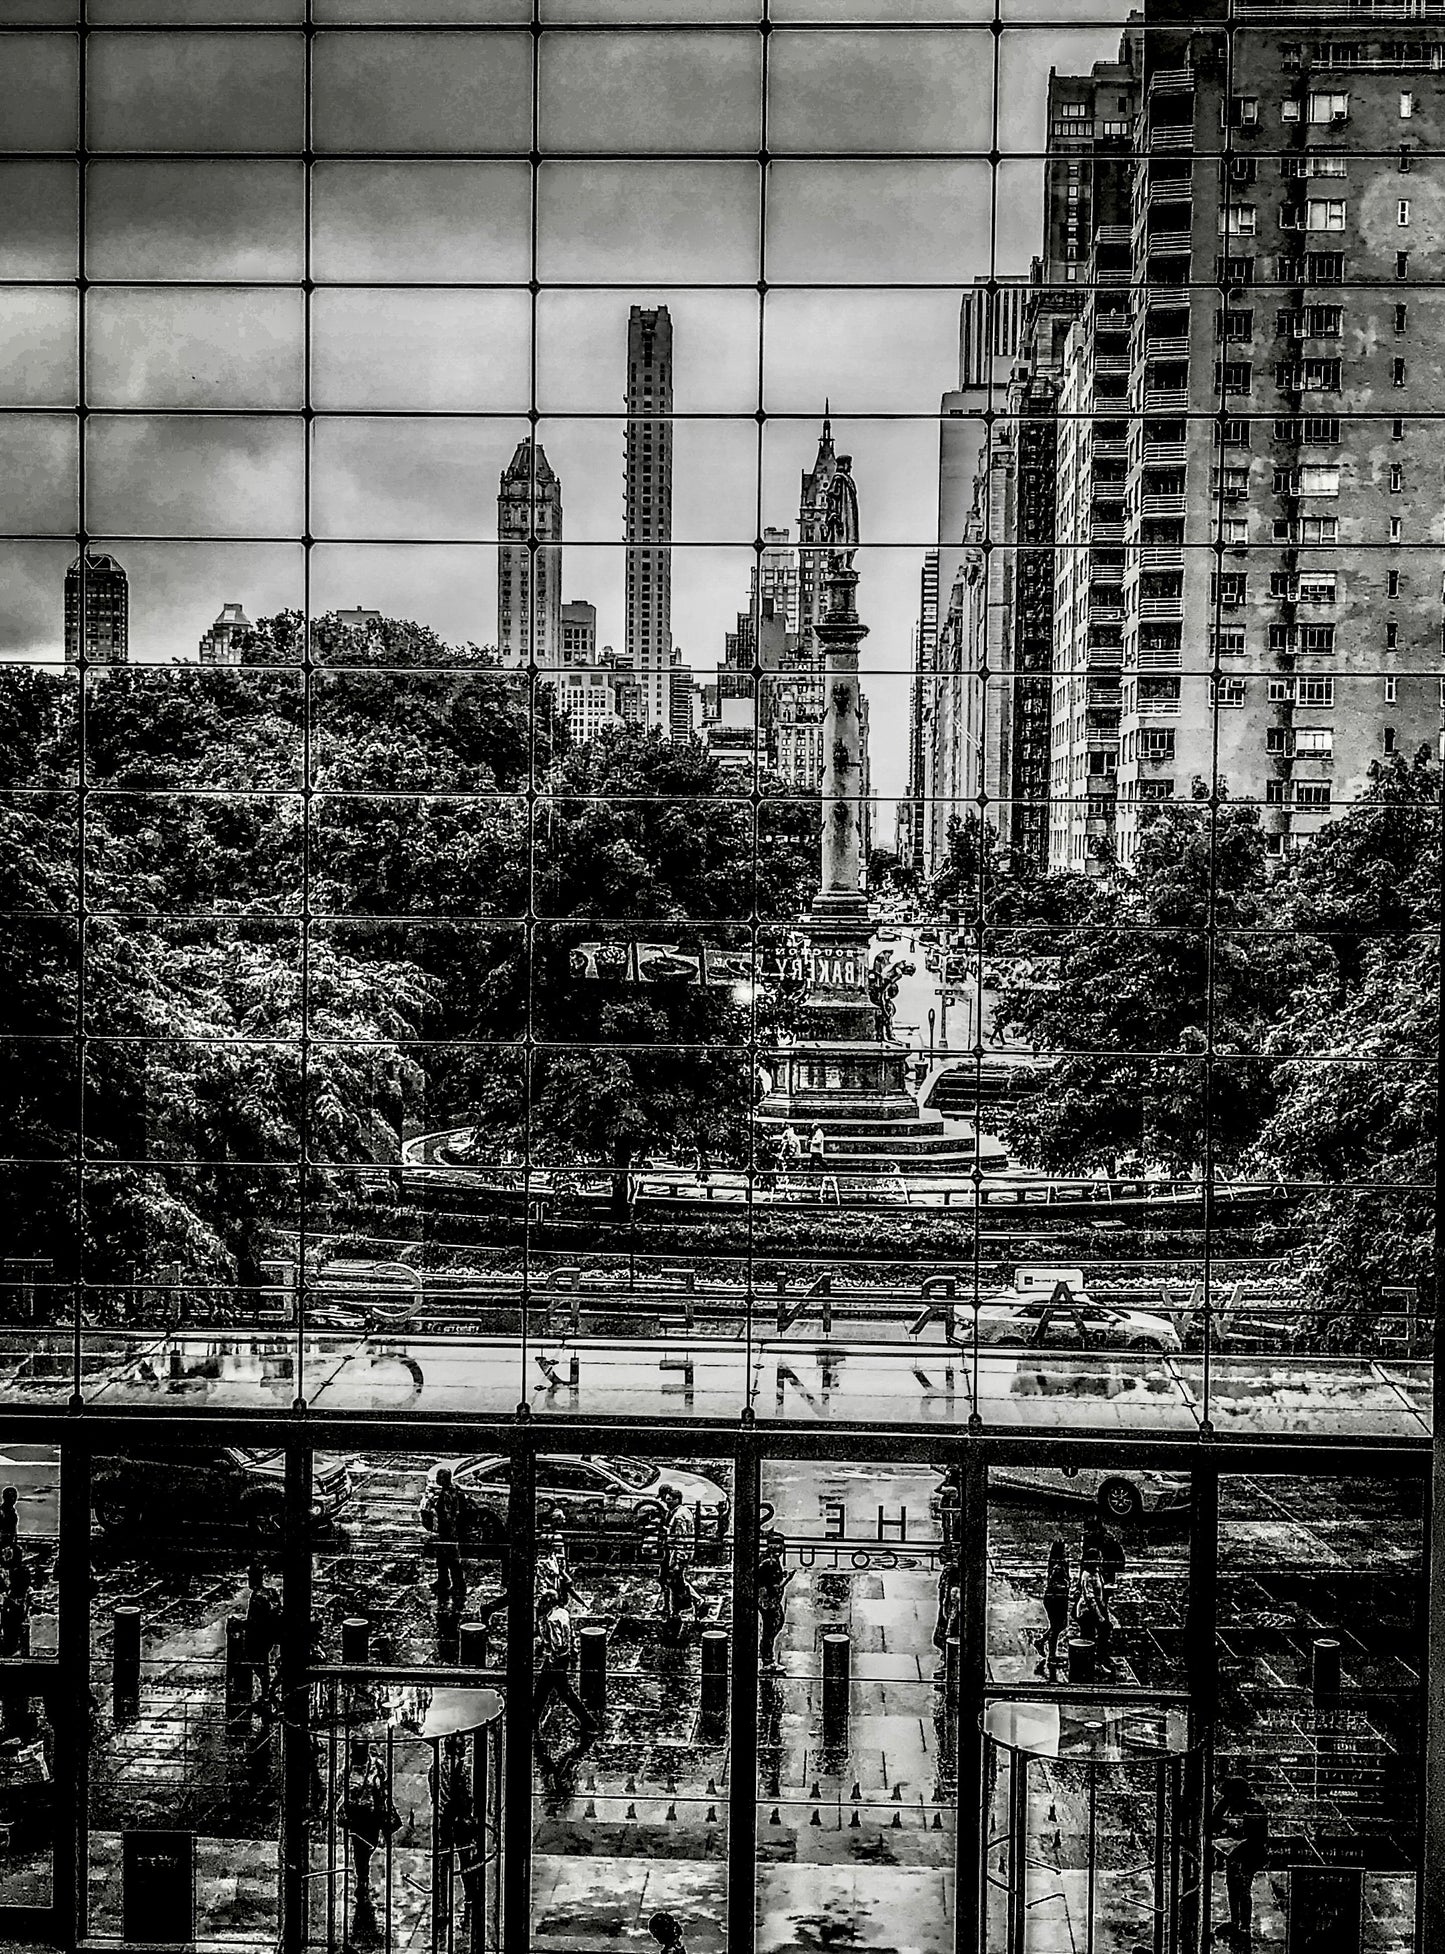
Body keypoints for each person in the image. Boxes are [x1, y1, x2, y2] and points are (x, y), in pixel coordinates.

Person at [338, 1735, 393, 1937]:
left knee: (370, 1846)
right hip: (357, 1816)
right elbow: (340, 1788)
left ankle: (363, 1873)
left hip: (373, 1815)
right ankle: (362, 1878)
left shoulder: (376, 1765)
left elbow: (384, 1786)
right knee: (359, 1849)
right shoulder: (347, 1768)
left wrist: (384, 1803)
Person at [1210, 1774, 1269, 1948]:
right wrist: (1223, 1806)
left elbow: (1258, 1836)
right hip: (1234, 1852)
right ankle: (1236, 1921)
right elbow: (1214, 1821)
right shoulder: (1230, 1804)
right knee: (1232, 1886)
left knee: (1243, 1888)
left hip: (1250, 1852)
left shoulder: (1254, 1807)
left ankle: (1244, 1925)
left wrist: (1233, 1830)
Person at [533, 1592, 596, 1743]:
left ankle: (589, 1723)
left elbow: (558, 1643)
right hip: (564, 1657)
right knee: (545, 1690)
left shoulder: (551, 1620)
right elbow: (570, 1636)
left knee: (560, 1692)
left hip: (555, 1660)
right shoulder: (563, 1613)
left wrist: (551, 1656)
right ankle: (533, 1719)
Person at [659, 1485, 704, 1633]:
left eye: (669, 1501)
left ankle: (692, 1604)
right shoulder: (683, 1511)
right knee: (674, 1581)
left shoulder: (679, 1516)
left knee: (675, 1582)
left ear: (677, 1500)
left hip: (678, 1554)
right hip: (679, 1552)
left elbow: (681, 1540)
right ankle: (675, 1610)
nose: (667, 1504)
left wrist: (679, 1560)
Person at [242, 1563, 282, 1720]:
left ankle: (266, 1694)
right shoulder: (271, 1593)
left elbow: (254, 1622)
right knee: (262, 1665)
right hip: (268, 1638)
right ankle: (267, 1692)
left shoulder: (257, 1598)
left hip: (257, 1638)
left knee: (257, 1664)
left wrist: (241, 1625)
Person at [430, 1467, 466, 1616]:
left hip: (448, 1532)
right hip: (449, 1531)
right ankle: (444, 1580)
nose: (437, 1480)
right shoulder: (453, 1490)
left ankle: (458, 1585)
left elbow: (449, 1514)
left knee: (452, 1559)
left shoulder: (447, 1494)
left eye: (440, 1477)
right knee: (442, 1558)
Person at [757, 1531, 794, 1671]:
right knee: (772, 1627)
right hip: (769, 1601)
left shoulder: (767, 1558)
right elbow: (775, 1587)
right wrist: (787, 1579)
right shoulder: (771, 1563)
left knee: (772, 1626)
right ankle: (767, 1661)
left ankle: (766, 1656)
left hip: (765, 1599)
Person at [1073, 1553, 1112, 1669]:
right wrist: (1100, 1616)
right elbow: (1090, 1598)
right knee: (1089, 1637)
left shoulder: (1097, 1572)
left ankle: (1096, 1662)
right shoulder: (1087, 1575)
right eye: (1098, 1558)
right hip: (1087, 1611)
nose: (1101, 1560)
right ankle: (1090, 1664)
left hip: (1097, 1608)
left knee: (1103, 1632)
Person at [1038, 1540, 1070, 1676]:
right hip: (1056, 1599)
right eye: (1064, 1549)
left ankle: (1042, 1641)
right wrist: (1066, 1586)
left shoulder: (1059, 1564)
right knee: (1057, 1626)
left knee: (1060, 1625)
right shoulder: (1058, 1566)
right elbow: (1055, 1583)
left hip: (1058, 1598)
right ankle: (1051, 1654)